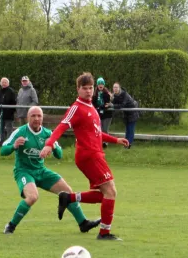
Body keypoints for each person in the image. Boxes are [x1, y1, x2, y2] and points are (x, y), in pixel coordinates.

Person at [39, 72, 130, 241]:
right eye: (85, 88)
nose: (88, 91)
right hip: (89, 155)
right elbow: (61, 126)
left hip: (95, 154)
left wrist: (115, 139)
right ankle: (104, 233)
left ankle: (68, 197)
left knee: (103, 194)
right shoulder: (77, 107)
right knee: (111, 191)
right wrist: (49, 144)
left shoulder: (91, 108)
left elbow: (97, 133)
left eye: (91, 88)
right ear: (78, 89)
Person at [0, 106, 100, 235]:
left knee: (67, 193)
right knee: (32, 197)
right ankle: (11, 226)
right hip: (24, 171)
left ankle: (83, 223)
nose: (36, 119)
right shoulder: (20, 132)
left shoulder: (48, 133)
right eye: (33, 116)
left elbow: (59, 155)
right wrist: (14, 146)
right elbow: (3, 151)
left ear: (43, 118)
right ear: (27, 118)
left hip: (41, 171)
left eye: (39, 116)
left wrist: (52, 145)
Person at [110, 82, 139, 149]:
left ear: (119, 88)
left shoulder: (125, 94)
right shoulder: (115, 95)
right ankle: (126, 144)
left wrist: (112, 105)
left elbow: (122, 105)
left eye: (116, 87)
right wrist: (111, 100)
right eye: (114, 87)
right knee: (127, 130)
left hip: (133, 113)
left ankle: (129, 145)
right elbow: (116, 103)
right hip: (126, 114)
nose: (115, 89)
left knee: (130, 130)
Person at [0, 77, 17, 144]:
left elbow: (14, 103)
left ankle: (9, 143)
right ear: (0, 83)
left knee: (9, 129)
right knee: (0, 129)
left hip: (8, 115)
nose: (4, 83)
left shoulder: (11, 92)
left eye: (5, 82)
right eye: (2, 82)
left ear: (8, 83)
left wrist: (11, 112)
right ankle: (1, 142)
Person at [92, 77, 113, 149]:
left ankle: (105, 143)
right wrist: (97, 108)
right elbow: (93, 103)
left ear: (103, 85)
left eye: (102, 84)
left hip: (107, 114)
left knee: (105, 129)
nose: (100, 85)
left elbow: (108, 104)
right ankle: (99, 142)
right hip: (98, 114)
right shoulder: (94, 94)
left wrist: (102, 107)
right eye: (99, 84)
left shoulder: (107, 93)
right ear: (97, 85)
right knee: (99, 129)